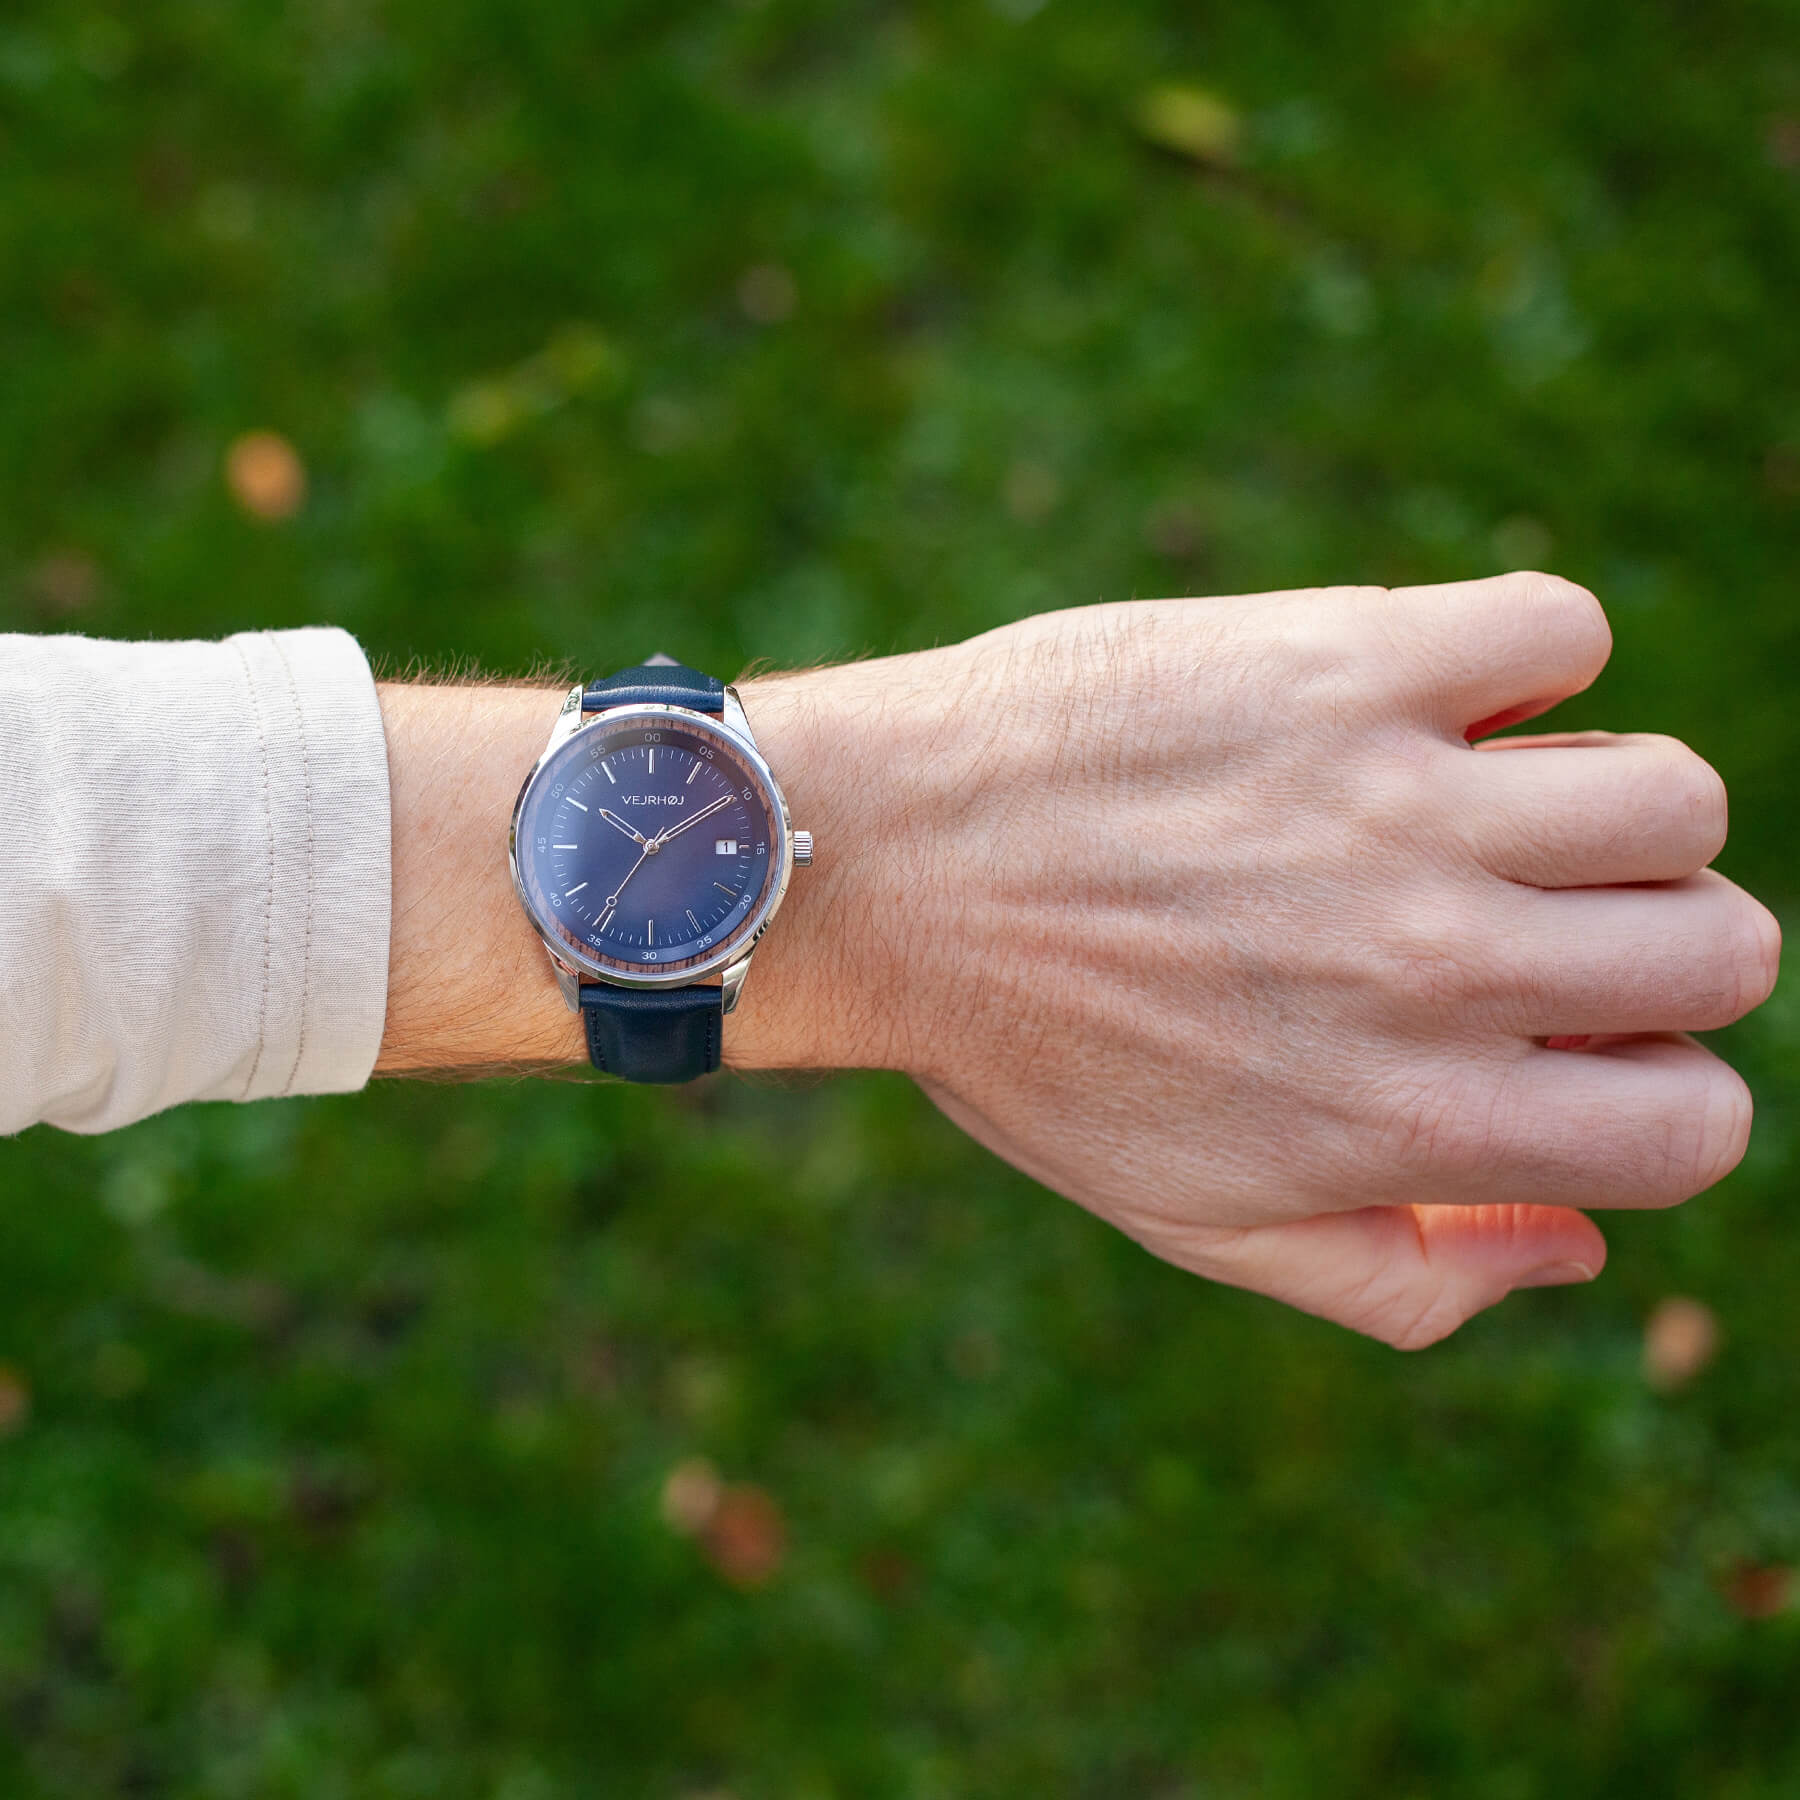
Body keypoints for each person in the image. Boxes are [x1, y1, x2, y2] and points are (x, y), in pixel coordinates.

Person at [0, 572, 1779, 1349]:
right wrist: (927, 883)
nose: (641, 849)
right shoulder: (648, 855)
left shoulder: (702, 819)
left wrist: (905, 850)